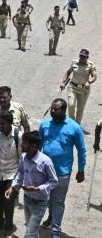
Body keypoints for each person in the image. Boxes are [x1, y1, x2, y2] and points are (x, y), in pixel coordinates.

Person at [39, 98, 86, 238]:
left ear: (64, 110)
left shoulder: (74, 127)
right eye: (52, 108)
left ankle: (55, 230)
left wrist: (81, 170)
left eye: (56, 109)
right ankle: (51, 216)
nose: (53, 111)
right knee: (47, 198)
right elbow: (38, 144)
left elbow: (81, 149)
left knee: (58, 200)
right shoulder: (45, 124)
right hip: (45, 171)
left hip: (62, 172)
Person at [5, 131, 58, 238]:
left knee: (29, 233)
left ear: (33, 146)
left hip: (40, 203)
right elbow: (20, 173)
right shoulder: (23, 157)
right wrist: (13, 187)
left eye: (24, 143)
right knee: (32, 230)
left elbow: (54, 181)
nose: (21, 145)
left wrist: (38, 188)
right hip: (27, 199)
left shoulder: (45, 161)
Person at [0, 111, 22, 238]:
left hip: (11, 174)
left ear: (10, 123)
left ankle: (8, 226)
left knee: (8, 201)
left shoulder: (18, 136)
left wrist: (18, 178)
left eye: (3, 124)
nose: (0, 126)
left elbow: (21, 158)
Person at [60, 49, 97, 124]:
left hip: (84, 89)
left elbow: (94, 76)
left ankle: (77, 124)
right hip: (72, 87)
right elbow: (68, 73)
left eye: (84, 56)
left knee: (80, 108)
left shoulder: (91, 65)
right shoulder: (74, 63)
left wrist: (88, 82)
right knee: (71, 105)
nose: (82, 57)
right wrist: (63, 82)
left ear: (87, 57)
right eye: (81, 55)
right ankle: (71, 123)